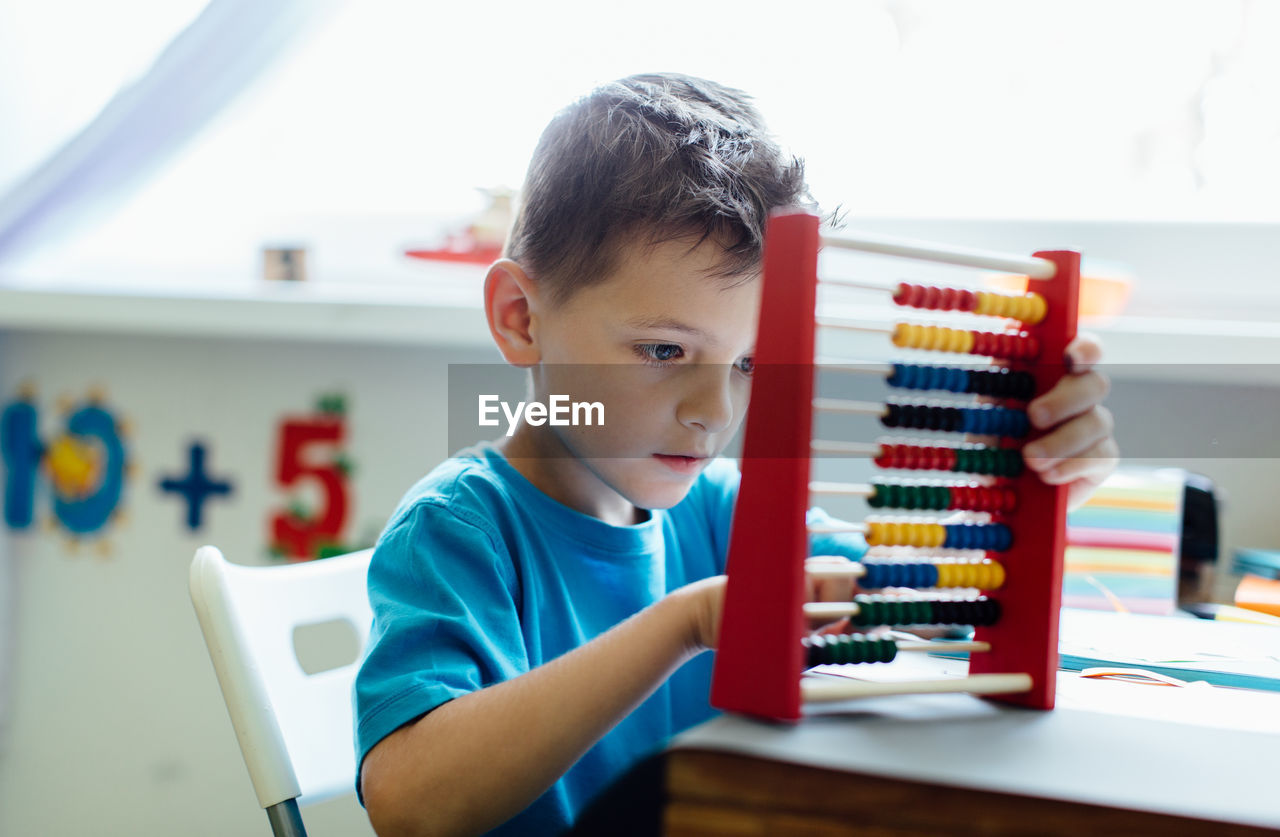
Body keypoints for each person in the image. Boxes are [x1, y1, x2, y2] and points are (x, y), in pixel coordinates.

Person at [354, 73, 1119, 837]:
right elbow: (411, 803)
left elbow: (923, 602)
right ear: (522, 319)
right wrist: (686, 623)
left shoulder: (724, 507)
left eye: (749, 363)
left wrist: (1036, 488)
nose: (714, 411)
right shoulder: (460, 531)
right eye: (664, 348)